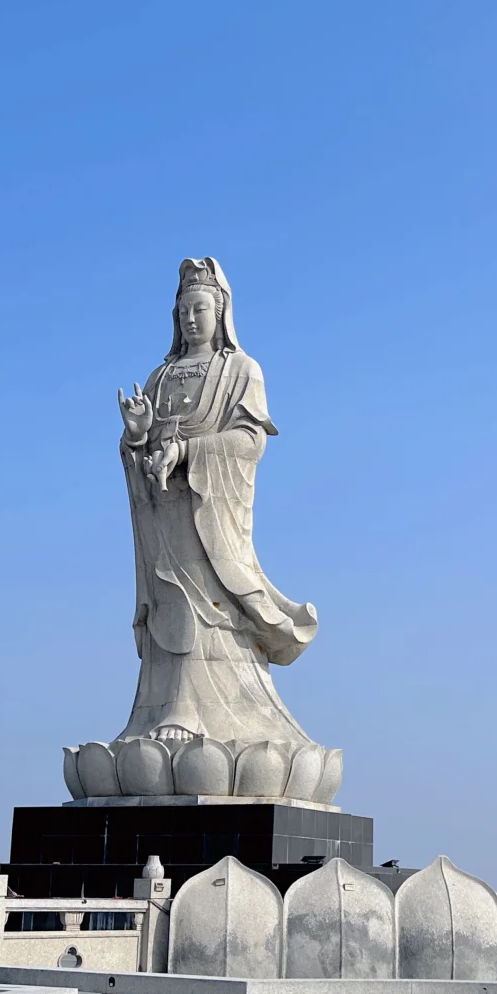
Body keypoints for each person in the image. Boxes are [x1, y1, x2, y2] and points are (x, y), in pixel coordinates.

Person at [116, 257, 319, 750]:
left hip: (212, 509)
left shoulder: (241, 370)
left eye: (199, 308)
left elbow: (250, 441)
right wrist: (138, 436)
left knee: (209, 599)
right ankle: (168, 704)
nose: (190, 319)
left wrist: (188, 451)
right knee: (170, 599)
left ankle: (203, 709)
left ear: (221, 312)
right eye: (183, 310)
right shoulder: (160, 377)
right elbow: (140, 452)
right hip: (167, 513)